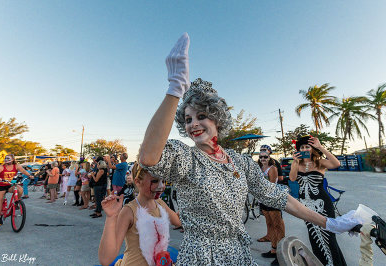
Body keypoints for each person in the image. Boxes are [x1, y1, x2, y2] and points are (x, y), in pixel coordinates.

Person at [137, 33, 361, 265]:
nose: (193, 123)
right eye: (187, 119)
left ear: (217, 120)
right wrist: (175, 88)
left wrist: (330, 223)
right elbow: (149, 156)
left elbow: (281, 198)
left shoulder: (239, 162)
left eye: (201, 116)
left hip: (238, 253)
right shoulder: (185, 158)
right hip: (201, 256)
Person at [98, 161, 181, 266]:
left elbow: (178, 222)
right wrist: (111, 217)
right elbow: (106, 259)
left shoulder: (160, 203)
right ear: (137, 182)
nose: (161, 186)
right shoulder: (129, 211)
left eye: (163, 181)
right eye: (155, 181)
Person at [289, 134, 346, 266]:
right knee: (313, 236)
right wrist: (295, 162)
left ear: (312, 148)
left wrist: (321, 147)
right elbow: (292, 178)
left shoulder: (320, 162)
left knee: (329, 237)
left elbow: (336, 163)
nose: (304, 149)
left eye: (307, 146)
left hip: (322, 204)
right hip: (305, 206)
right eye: (301, 147)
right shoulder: (297, 164)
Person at [257, 151, 285, 264]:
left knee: (277, 225)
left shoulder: (272, 168)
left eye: (265, 157)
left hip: (272, 199)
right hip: (263, 199)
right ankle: (273, 249)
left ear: (269, 158)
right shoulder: (259, 169)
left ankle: (282, 251)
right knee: (270, 224)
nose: (263, 158)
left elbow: (272, 184)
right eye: (261, 157)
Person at [0, 154, 33, 225]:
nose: (6, 160)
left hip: (9, 185)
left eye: (8, 159)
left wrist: (29, 175)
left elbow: (23, 171)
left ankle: (16, 202)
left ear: (13, 159)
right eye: (5, 159)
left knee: (20, 189)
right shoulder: (0, 167)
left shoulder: (16, 166)